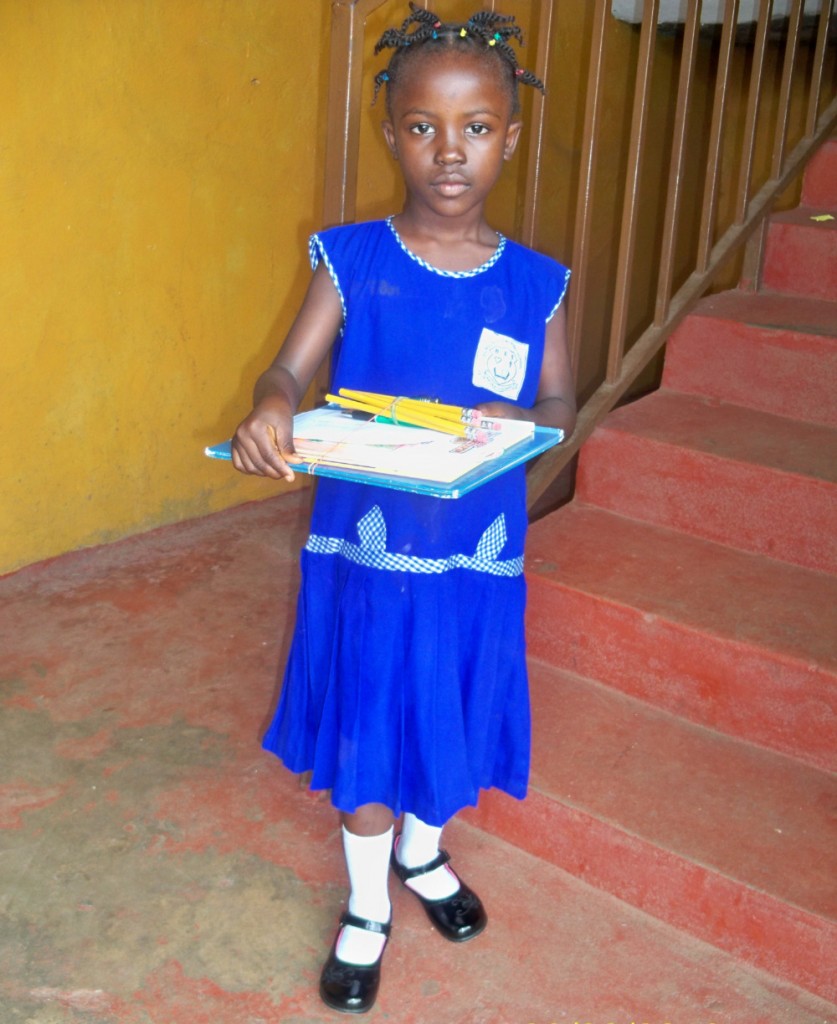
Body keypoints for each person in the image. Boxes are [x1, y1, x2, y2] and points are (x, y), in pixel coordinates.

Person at [231, 3, 576, 1014]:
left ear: (509, 136)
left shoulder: (537, 284)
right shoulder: (354, 260)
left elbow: (559, 405)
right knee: (373, 711)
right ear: (392, 132)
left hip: (477, 553)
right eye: (424, 126)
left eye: (476, 127)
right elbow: (288, 371)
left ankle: (427, 857)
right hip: (368, 554)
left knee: (450, 708)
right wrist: (269, 409)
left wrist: (518, 425)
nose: (450, 151)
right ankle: (368, 902)